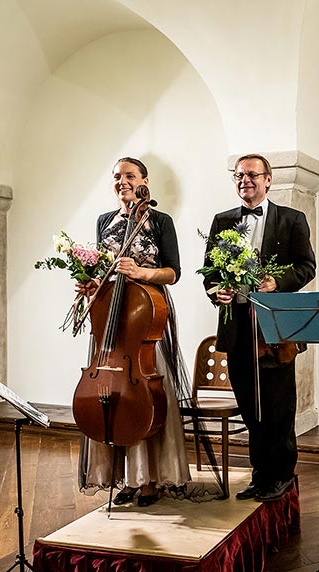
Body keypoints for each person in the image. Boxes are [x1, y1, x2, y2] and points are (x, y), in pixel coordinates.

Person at [76, 157, 193, 507]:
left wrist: (141, 274)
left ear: (143, 181)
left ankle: (149, 480)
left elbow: (173, 272)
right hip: (110, 317)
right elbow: (102, 268)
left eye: (129, 175)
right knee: (109, 390)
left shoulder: (159, 220)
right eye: (116, 176)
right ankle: (121, 479)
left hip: (145, 316)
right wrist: (92, 284)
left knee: (144, 388)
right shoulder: (104, 221)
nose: (122, 181)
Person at [202, 153, 316, 502]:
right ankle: (259, 474)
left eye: (252, 174)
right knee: (251, 406)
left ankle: (281, 475)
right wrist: (216, 290)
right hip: (237, 327)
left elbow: (307, 266)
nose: (244, 180)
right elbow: (208, 271)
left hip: (275, 330)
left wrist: (276, 282)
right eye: (238, 175)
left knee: (279, 406)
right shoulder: (222, 220)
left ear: (268, 179)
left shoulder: (292, 219)